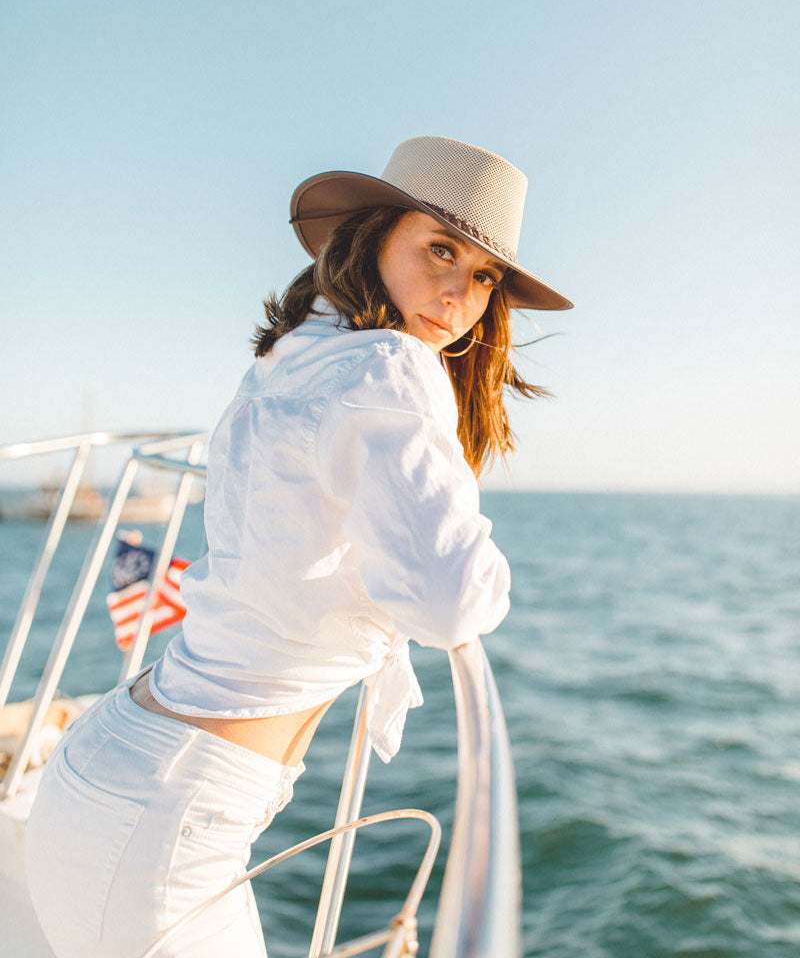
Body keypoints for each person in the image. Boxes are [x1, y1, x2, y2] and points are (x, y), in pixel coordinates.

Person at [25, 135, 572, 958]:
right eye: (440, 250)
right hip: (165, 819)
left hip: (123, 774)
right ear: (374, 234)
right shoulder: (390, 364)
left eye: (485, 276)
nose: (460, 293)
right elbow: (452, 599)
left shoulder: (294, 355)